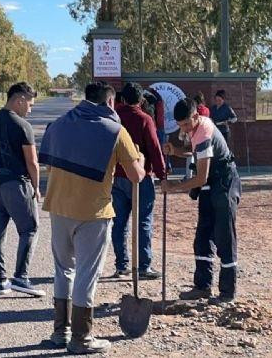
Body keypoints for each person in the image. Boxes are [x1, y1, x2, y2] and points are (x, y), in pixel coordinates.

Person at [39, 81, 145, 354]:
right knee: (87, 272)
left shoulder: (60, 123)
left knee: (63, 269)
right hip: (93, 212)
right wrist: (140, 160)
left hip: (59, 207)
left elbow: (49, 162)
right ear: (110, 103)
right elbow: (135, 176)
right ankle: (82, 337)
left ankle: (60, 331)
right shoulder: (115, 130)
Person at [162, 98, 241, 305]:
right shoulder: (194, 130)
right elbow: (193, 151)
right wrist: (175, 150)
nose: (185, 129)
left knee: (224, 235)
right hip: (210, 184)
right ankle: (202, 286)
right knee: (203, 235)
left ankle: (227, 292)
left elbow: (200, 178)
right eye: (181, 126)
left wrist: (173, 187)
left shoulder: (204, 132)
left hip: (223, 182)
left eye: (187, 124)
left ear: (196, 116)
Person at [0, 82, 43, 298]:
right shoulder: (22, 126)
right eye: (29, 104)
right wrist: (37, 187)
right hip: (17, 185)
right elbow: (32, 162)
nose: (30, 109)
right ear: (19, 100)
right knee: (29, 228)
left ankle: (1, 280)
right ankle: (21, 277)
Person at [110, 83, 167, 280]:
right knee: (143, 221)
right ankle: (143, 266)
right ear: (141, 100)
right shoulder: (144, 119)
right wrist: (162, 174)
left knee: (119, 223)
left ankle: (121, 265)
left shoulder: (114, 118)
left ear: (123, 99)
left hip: (116, 177)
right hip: (140, 176)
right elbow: (154, 148)